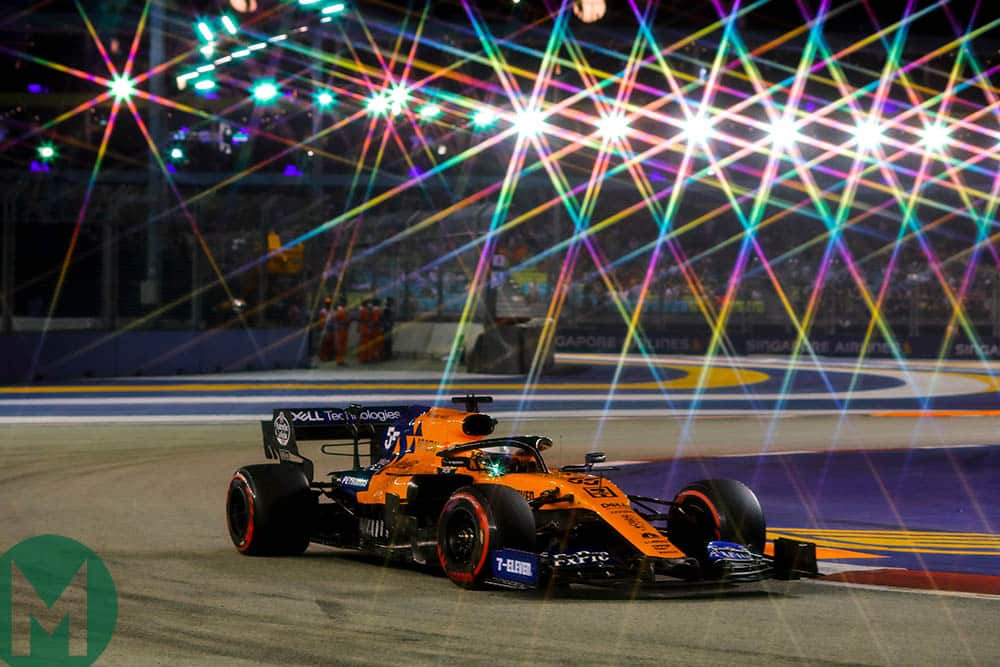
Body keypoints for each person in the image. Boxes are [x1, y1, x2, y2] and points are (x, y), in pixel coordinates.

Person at [334, 298, 350, 366]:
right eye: (343, 302)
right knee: (340, 345)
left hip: (344, 329)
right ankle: (339, 360)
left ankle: (342, 360)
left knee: (343, 346)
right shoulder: (339, 310)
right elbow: (336, 319)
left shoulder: (344, 310)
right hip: (341, 329)